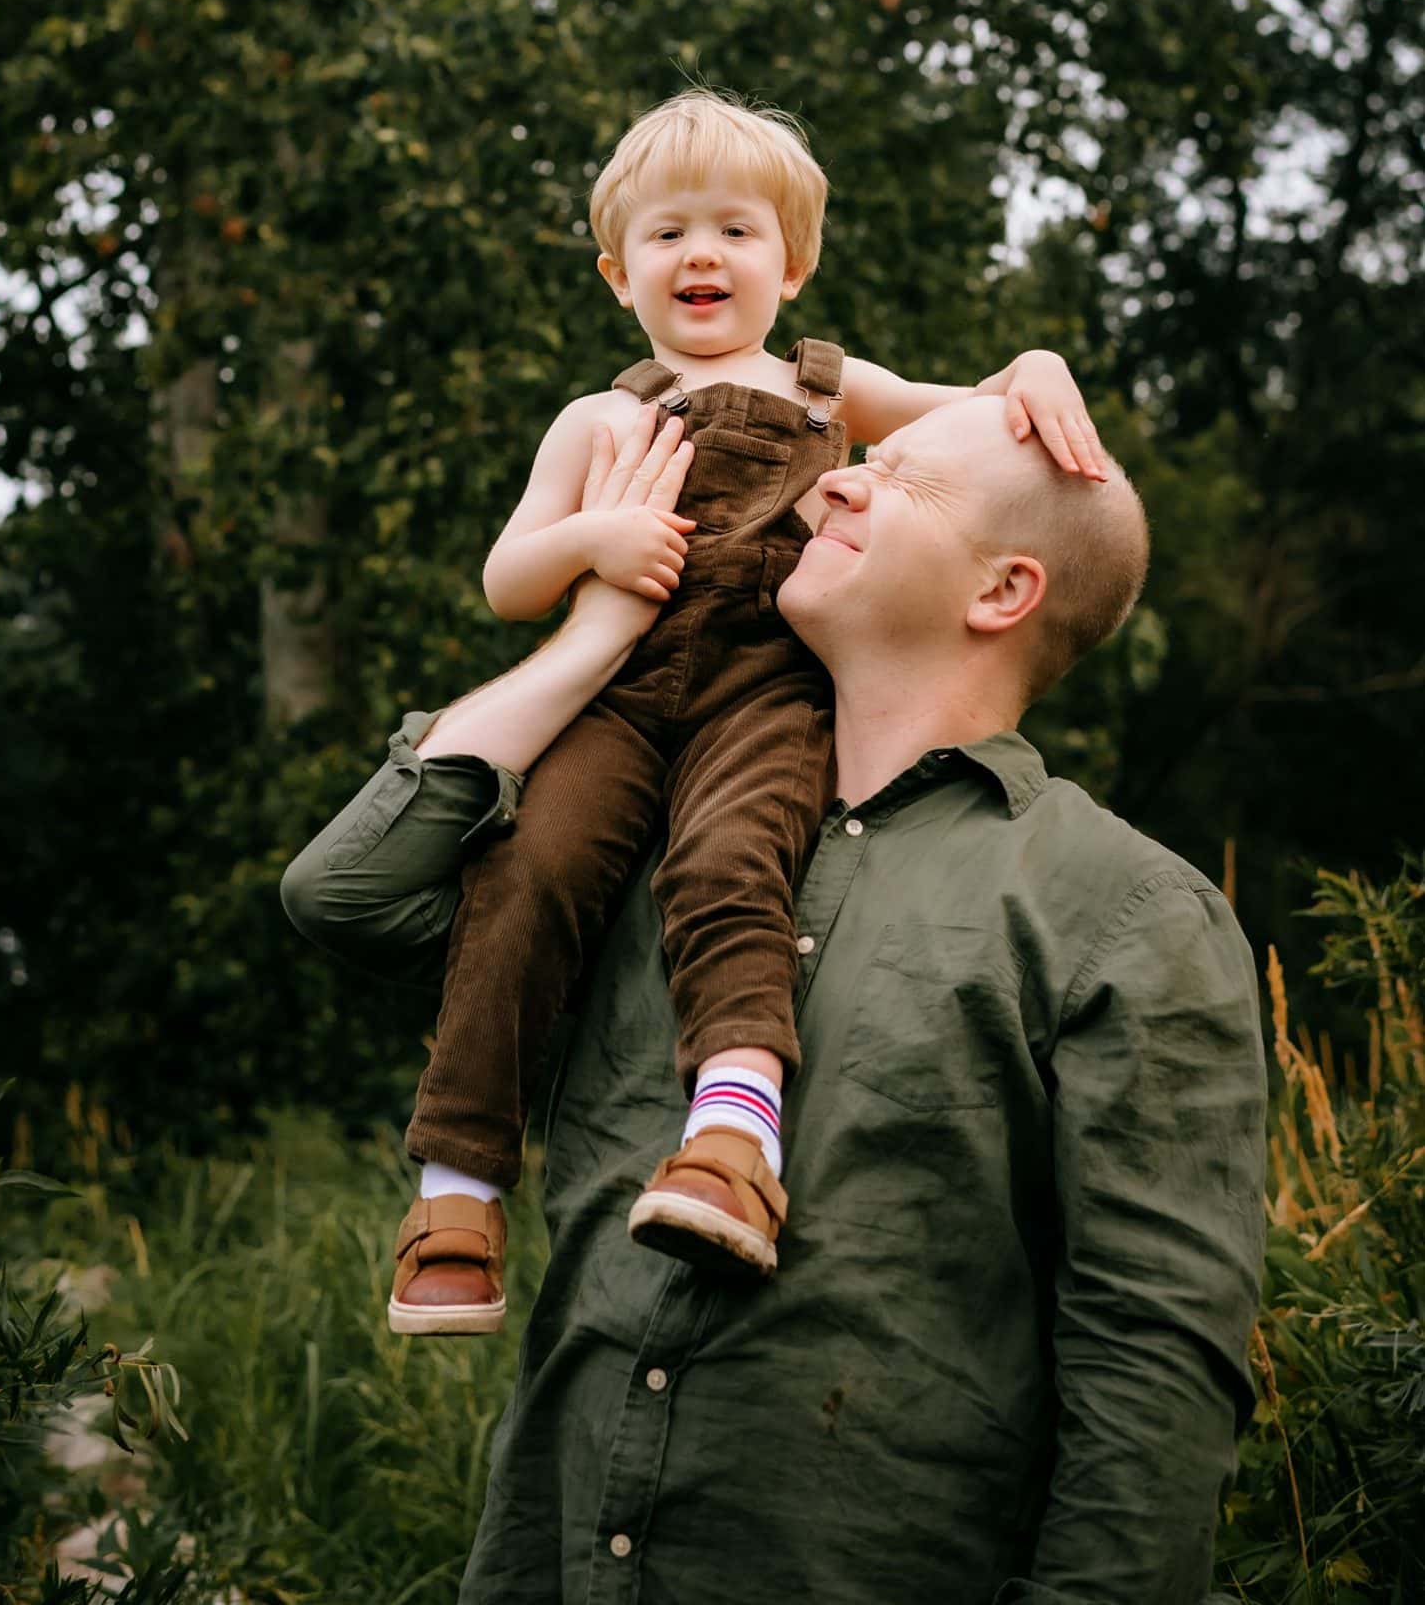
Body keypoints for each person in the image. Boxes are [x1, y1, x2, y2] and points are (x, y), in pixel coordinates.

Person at [282, 395, 1268, 1605]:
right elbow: (349, 894)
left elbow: (1149, 1381)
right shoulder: (617, 860)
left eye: (899, 478)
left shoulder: (1117, 909)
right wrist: (596, 635)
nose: (834, 483)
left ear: (1001, 593)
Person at [379, 90, 1107, 1333]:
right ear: (618, 277)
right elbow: (508, 579)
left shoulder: (830, 390)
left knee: (731, 866)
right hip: (617, 699)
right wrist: (592, 537)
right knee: (525, 869)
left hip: (764, 691)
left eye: (733, 230)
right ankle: (457, 1191)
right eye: (664, 236)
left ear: (794, 262)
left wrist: (1032, 364)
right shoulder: (597, 418)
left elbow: (980, 414)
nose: (700, 255)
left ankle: (730, 1136)